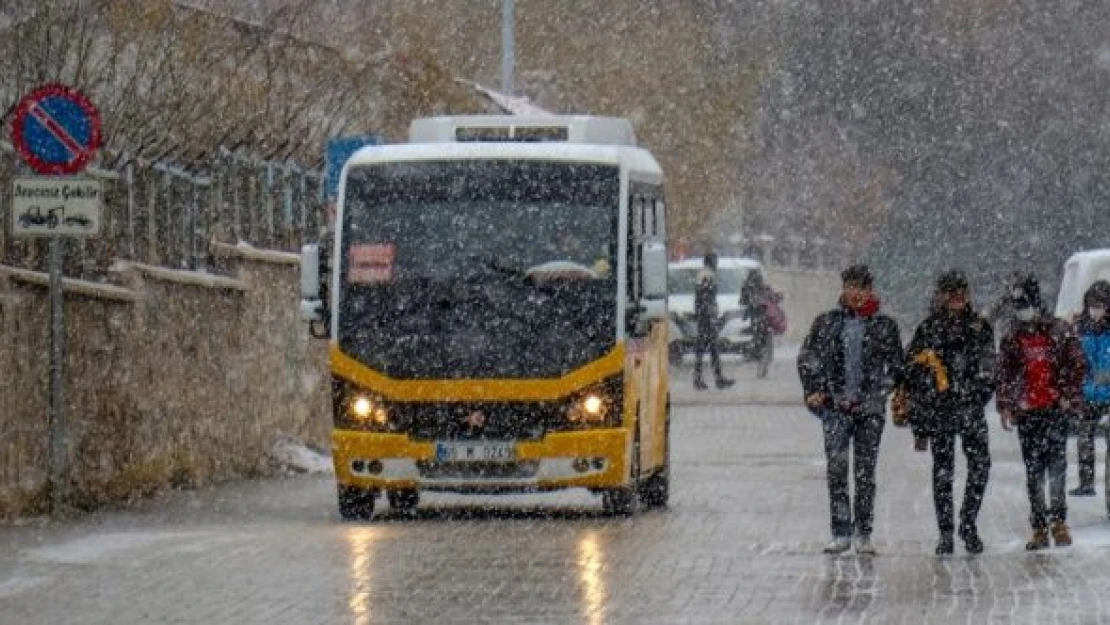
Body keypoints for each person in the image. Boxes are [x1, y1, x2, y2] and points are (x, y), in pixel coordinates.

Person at [797, 264, 903, 555]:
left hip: (869, 410)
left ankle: (863, 532)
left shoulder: (885, 326)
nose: (855, 294)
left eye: (861, 288)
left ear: (870, 291)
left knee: (865, 471)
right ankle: (840, 530)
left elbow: (896, 367)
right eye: (850, 287)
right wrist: (815, 389)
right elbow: (808, 359)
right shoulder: (826, 323)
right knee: (837, 468)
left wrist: (880, 391)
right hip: (835, 408)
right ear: (843, 289)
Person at [894, 270, 995, 555]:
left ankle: (968, 522)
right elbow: (910, 371)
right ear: (940, 295)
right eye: (950, 292)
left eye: (961, 291)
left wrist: (976, 394)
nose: (956, 297)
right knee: (943, 473)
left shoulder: (978, 328)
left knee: (980, 467)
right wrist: (929, 398)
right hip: (939, 412)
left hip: (970, 409)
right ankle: (946, 532)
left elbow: (990, 368)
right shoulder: (929, 329)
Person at [996, 274, 1087, 550]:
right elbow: (1004, 374)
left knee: (1057, 469)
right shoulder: (1013, 337)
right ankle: (1038, 526)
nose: (1023, 311)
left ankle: (1058, 522)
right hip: (1028, 414)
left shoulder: (1058, 332)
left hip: (1053, 409)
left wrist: (1066, 395)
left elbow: (1077, 364)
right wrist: (1007, 404)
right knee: (1034, 472)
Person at [1071, 280, 1110, 498]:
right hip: (1088, 394)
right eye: (1093, 303)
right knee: (1085, 437)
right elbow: (1076, 362)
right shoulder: (1081, 329)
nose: (1096, 308)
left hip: (1107, 394)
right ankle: (1086, 482)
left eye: (1101, 303)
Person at [693, 252, 735, 390]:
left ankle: (707, 378)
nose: (717, 264)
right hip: (706, 318)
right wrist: (710, 316)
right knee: (710, 348)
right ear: (711, 262)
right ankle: (711, 379)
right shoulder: (707, 275)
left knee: (708, 349)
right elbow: (704, 297)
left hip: (704, 317)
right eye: (715, 261)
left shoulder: (704, 274)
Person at [740, 268, 782, 378]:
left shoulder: (748, 289)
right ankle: (762, 366)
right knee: (766, 345)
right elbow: (775, 298)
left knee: (761, 343)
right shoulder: (763, 289)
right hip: (766, 321)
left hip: (757, 321)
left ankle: (760, 364)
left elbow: (743, 302)